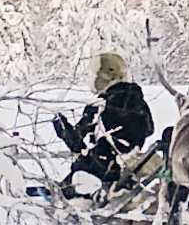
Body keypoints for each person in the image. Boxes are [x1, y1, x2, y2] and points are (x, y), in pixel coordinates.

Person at [55, 52, 157, 194]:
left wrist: (62, 127)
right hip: (127, 173)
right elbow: (148, 130)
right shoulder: (138, 102)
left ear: (103, 76)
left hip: (97, 176)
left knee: (61, 195)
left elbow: (78, 144)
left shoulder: (100, 105)